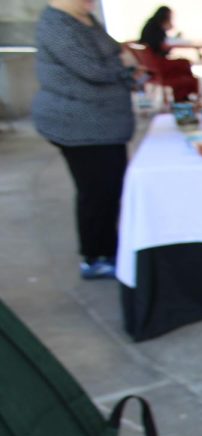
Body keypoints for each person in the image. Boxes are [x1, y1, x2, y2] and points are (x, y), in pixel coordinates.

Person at [32, 0, 140, 280]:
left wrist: (125, 64)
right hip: (79, 126)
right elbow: (92, 70)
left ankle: (109, 247)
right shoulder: (57, 24)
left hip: (105, 125)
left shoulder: (86, 19)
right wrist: (125, 67)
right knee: (97, 192)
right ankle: (95, 257)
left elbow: (114, 54)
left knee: (109, 188)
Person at [137, 6, 199, 101]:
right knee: (184, 64)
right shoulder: (156, 28)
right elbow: (162, 48)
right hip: (157, 64)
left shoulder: (150, 25)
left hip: (152, 65)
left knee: (183, 66)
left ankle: (183, 96)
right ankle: (184, 96)